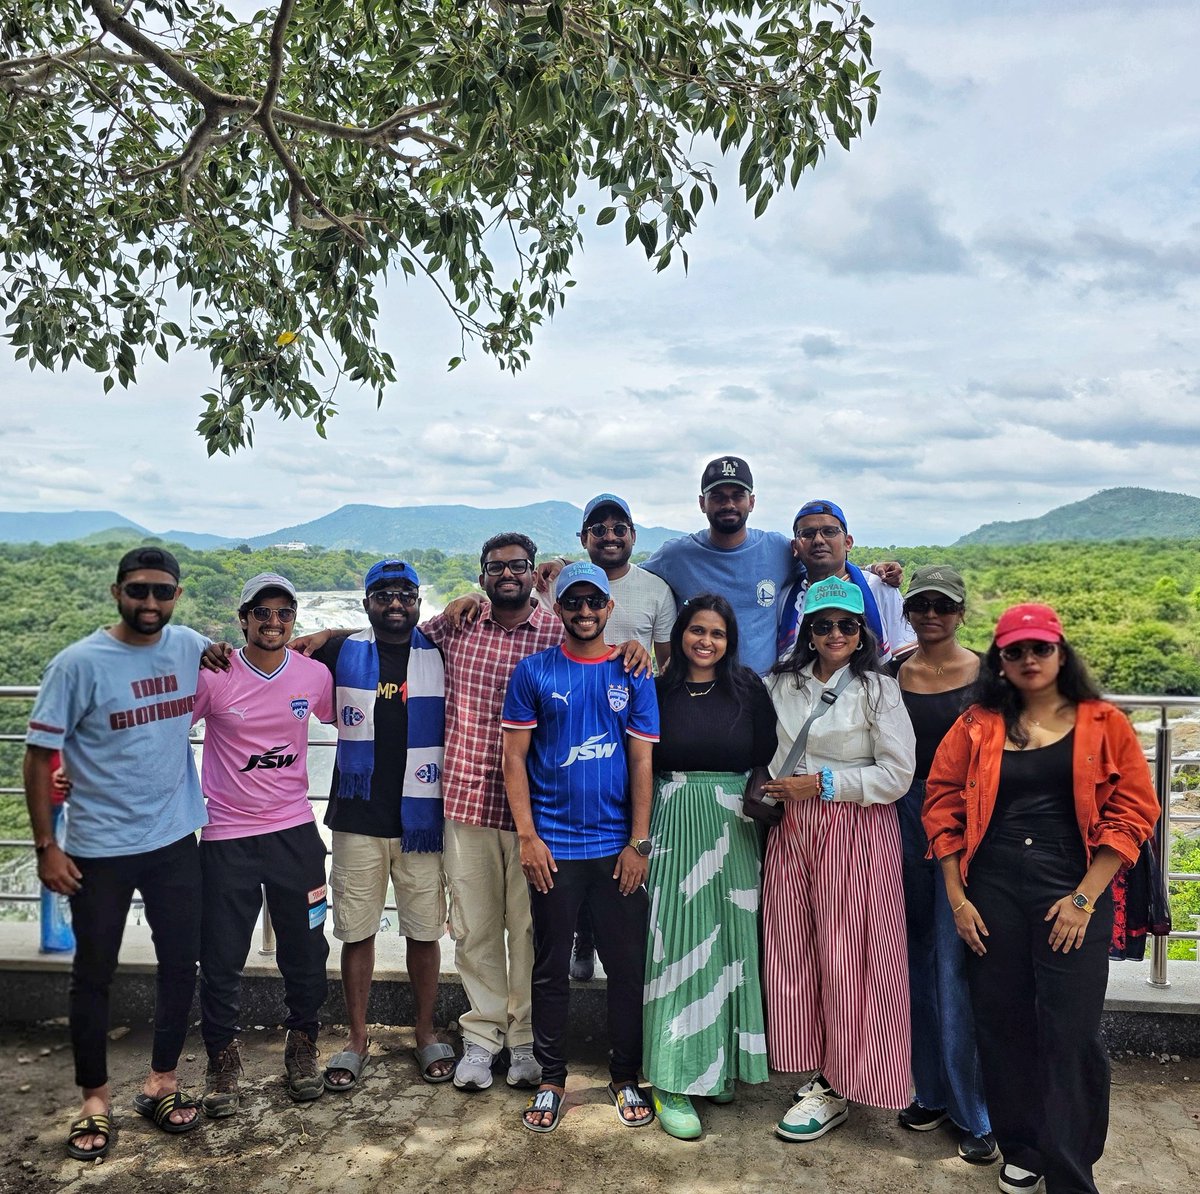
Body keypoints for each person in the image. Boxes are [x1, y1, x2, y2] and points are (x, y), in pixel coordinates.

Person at [923, 603, 1159, 1194]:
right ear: (999, 660)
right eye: (1015, 651)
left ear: (1060, 653)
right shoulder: (977, 722)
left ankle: (1072, 1170)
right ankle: (1022, 1147)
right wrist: (957, 897)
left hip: (1072, 886)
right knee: (1002, 1025)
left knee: (1071, 1032)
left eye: (1040, 649)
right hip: (992, 886)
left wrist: (1083, 899)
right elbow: (943, 803)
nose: (1029, 660)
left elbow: (1133, 812)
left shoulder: (1102, 723)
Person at [24, 546, 208, 1158]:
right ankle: (95, 1100)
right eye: (138, 591)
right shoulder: (78, 664)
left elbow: (253, 654)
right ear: (117, 592)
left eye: (161, 592)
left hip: (176, 837)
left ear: (177, 595)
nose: (149, 603)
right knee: (93, 975)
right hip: (98, 847)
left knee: (182, 965)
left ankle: (161, 1082)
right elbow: (37, 756)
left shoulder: (190, 646)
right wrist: (46, 844)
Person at [502, 561, 659, 1133]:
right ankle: (551, 1078)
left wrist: (638, 843)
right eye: (574, 603)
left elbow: (642, 760)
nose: (585, 612)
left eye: (595, 603)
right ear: (558, 608)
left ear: (610, 608)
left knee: (625, 967)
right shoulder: (534, 672)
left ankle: (624, 1075)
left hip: (616, 849)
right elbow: (514, 758)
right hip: (554, 849)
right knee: (550, 969)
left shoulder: (632, 672)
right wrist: (528, 837)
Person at [760, 575, 915, 1143]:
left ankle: (843, 1083)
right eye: (822, 624)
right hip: (793, 832)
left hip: (856, 831)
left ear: (861, 631)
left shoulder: (879, 690)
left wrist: (821, 785)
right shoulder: (780, 682)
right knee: (793, 952)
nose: (834, 634)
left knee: (855, 960)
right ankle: (821, 1068)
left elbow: (897, 774)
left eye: (845, 625)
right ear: (808, 629)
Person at [420, 533, 563, 1093]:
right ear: (480, 576)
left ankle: (525, 1038)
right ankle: (482, 1038)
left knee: (529, 932)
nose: (507, 575)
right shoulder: (457, 626)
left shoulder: (556, 633)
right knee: (475, 928)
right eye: (495, 567)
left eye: (519, 566)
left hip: (536, 811)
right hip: (466, 802)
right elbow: (388, 634)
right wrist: (321, 637)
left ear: (534, 574)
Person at [191, 573, 335, 1115]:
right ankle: (221, 1058)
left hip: (295, 832)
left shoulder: (312, 674)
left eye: (284, 613)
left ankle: (303, 1044)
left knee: (306, 946)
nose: (274, 622)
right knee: (222, 952)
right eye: (263, 612)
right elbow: (167, 729)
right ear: (244, 618)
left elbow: (356, 708)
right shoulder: (216, 674)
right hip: (227, 835)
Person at [310, 560, 451, 1088]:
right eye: (383, 595)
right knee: (357, 930)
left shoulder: (441, 652)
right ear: (366, 602)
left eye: (406, 595)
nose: (395, 604)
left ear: (419, 601)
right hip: (358, 817)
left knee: (423, 930)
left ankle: (424, 1031)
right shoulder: (340, 651)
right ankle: (356, 1038)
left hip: (421, 816)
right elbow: (277, 651)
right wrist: (324, 632)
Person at [643, 595, 777, 1140]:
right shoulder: (655, 690)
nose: (706, 641)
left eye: (717, 633)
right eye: (696, 630)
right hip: (673, 821)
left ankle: (719, 1064)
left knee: (729, 948)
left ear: (730, 640)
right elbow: (639, 762)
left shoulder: (749, 689)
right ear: (679, 635)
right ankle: (672, 1077)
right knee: (676, 946)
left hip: (736, 825)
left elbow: (766, 757)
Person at [533, 493, 675, 982]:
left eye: (620, 528)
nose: (611, 536)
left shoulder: (655, 589)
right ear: (583, 539)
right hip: (567, 721)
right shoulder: (557, 584)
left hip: (631, 722)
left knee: (617, 844)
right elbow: (510, 604)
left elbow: (667, 661)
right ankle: (582, 939)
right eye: (599, 529)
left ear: (633, 535)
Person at [888, 566, 994, 1163]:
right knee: (913, 956)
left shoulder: (987, 676)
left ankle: (974, 1109)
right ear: (908, 611)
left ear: (960, 612)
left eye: (943, 605)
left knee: (957, 963)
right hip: (901, 817)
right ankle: (928, 1089)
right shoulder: (889, 673)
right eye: (921, 604)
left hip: (967, 822)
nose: (932, 614)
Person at [641, 456, 795, 676]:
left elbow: (824, 573)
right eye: (718, 497)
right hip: (697, 689)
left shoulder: (778, 550)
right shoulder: (675, 556)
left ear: (751, 502)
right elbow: (631, 580)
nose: (729, 504)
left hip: (762, 691)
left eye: (737, 496)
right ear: (702, 503)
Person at [777, 499, 914, 662]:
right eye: (807, 534)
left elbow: (906, 656)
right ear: (795, 547)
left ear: (848, 543)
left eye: (829, 532)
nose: (819, 540)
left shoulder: (878, 587)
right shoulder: (785, 597)